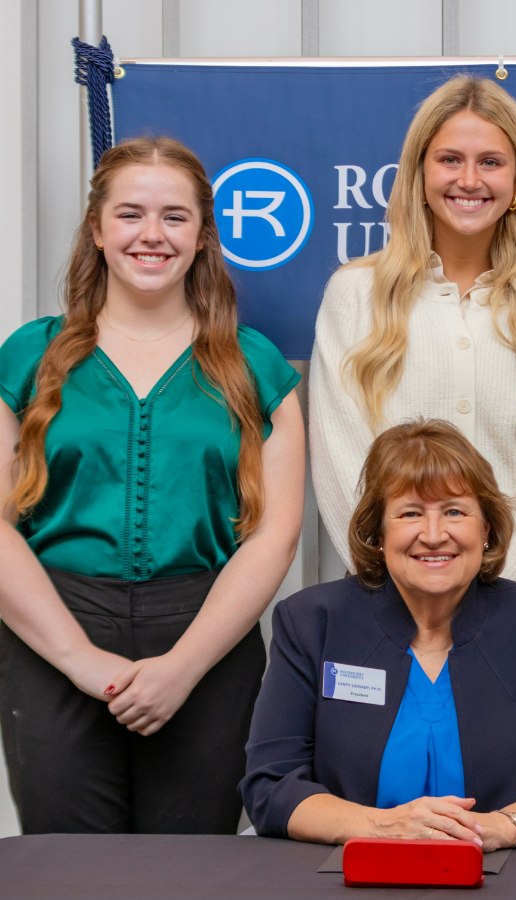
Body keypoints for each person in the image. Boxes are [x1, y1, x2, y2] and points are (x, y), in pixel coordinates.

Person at [0, 137, 305, 834]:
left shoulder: (255, 367)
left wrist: (182, 667)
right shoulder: (26, 357)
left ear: (202, 238)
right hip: (54, 629)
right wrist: (79, 660)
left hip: (206, 633)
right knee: (66, 869)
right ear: (98, 230)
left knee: (190, 868)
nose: (151, 235)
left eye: (174, 217)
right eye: (131, 213)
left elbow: (276, 535)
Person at [241, 418, 516, 846]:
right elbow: (271, 785)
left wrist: (502, 827)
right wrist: (381, 829)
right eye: (410, 513)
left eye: (455, 511)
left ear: (486, 529)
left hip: (508, 877)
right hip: (350, 877)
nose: (434, 535)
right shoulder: (312, 623)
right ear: (379, 532)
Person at [310, 75, 516, 597]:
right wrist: (409, 588)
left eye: (490, 162)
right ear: (419, 174)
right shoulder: (353, 297)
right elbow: (344, 466)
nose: (469, 179)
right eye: (449, 160)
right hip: (390, 600)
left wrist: (495, 611)